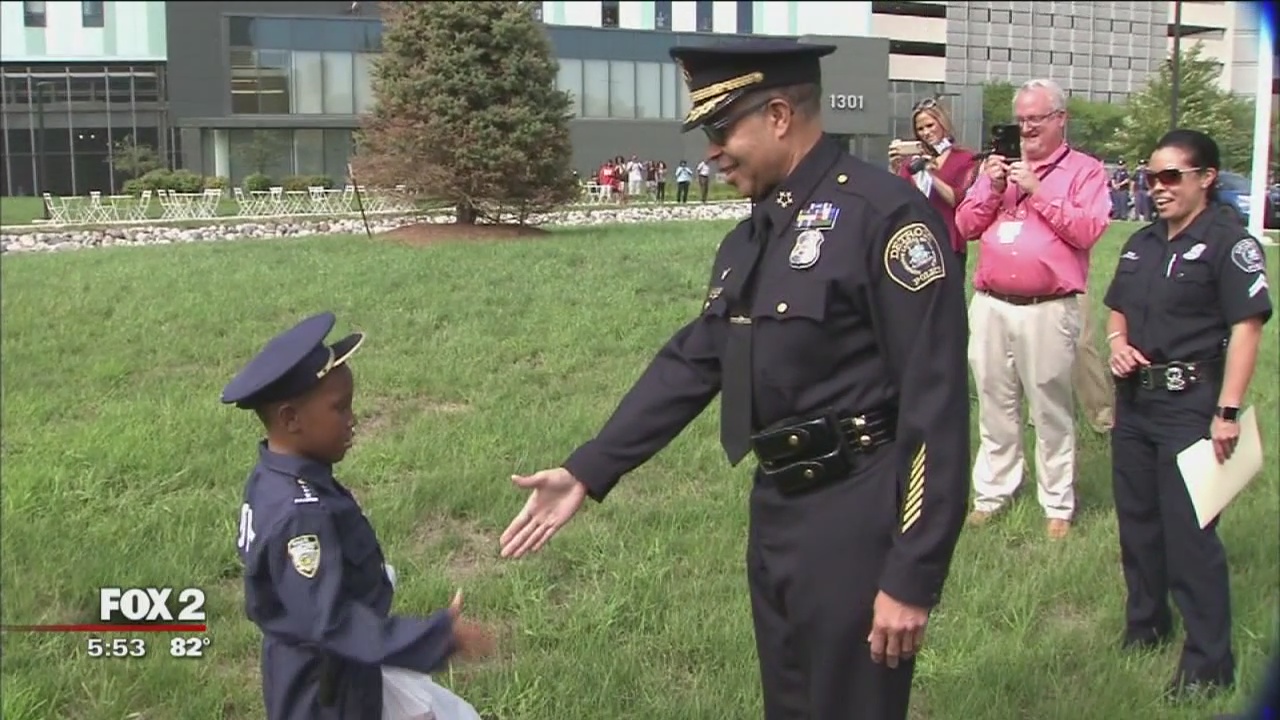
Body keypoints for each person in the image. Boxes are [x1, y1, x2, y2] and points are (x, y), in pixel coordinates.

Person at [498, 39, 971, 720]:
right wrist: (587, 469)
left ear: (779, 114)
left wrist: (912, 572)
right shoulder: (753, 235)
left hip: (857, 512)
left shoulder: (885, 217)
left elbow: (937, 405)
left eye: (722, 129)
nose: (712, 150)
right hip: (777, 506)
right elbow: (697, 359)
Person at [222, 312, 494, 719]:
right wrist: (437, 638)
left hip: (341, 667)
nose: (353, 419)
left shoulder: (272, 477)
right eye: (340, 408)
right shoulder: (300, 517)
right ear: (291, 419)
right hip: (327, 690)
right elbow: (332, 624)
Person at [1102, 129, 1272, 700]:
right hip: (1136, 402)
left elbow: (1247, 327)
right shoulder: (1143, 243)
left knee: (1190, 537)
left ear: (1207, 179)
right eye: (1151, 178)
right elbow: (1118, 310)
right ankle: (1147, 624)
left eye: (1171, 176)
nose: (1158, 188)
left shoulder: (1229, 242)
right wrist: (1116, 342)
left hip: (1191, 408)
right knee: (1139, 527)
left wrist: (1227, 411)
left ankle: (1208, 663)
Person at [954, 78, 1111, 539]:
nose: (1025, 130)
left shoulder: (1085, 171)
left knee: (1050, 407)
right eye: (1020, 120)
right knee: (994, 403)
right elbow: (964, 225)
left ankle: (1057, 503)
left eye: (1035, 120)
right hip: (991, 304)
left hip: (1048, 305)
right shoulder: (996, 169)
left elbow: (1088, 230)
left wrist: (1040, 192)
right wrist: (989, 185)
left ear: (1060, 119)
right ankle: (992, 493)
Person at [888, 97, 978, 259]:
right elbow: (898, 199)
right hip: (917, 242)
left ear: (942, 123)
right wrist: (895, 169)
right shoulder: (912, 162)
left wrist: (930, 175)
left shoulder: (965, 158)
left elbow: (956, 200)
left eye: (930, 125)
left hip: (949, 241)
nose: (926, 133)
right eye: (920, 129)